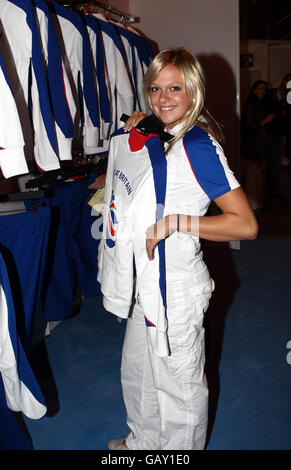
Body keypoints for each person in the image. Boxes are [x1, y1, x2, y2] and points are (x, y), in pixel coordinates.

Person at [99, 48, 258, 450]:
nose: (163, 97)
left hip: (178, 291)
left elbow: (245, 223)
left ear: (194, 91)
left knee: (180, 390)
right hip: (145, 284)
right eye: (155, 88)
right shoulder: (157, 132)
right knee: (138, 373)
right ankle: (145, 443)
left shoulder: (198, 144)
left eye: (175, 87)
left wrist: (177, 223)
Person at [241, 80, 275, 210]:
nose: (263, 91)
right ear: (254, 90)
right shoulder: (250, 106)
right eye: (260, 89)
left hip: (259, 144)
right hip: (252, 146)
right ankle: (252, 204)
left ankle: (255, 202)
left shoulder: (259, 105)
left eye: (264, 89)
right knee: (252, 177)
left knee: (257, 175)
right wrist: (265, 121)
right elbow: (250, 127)